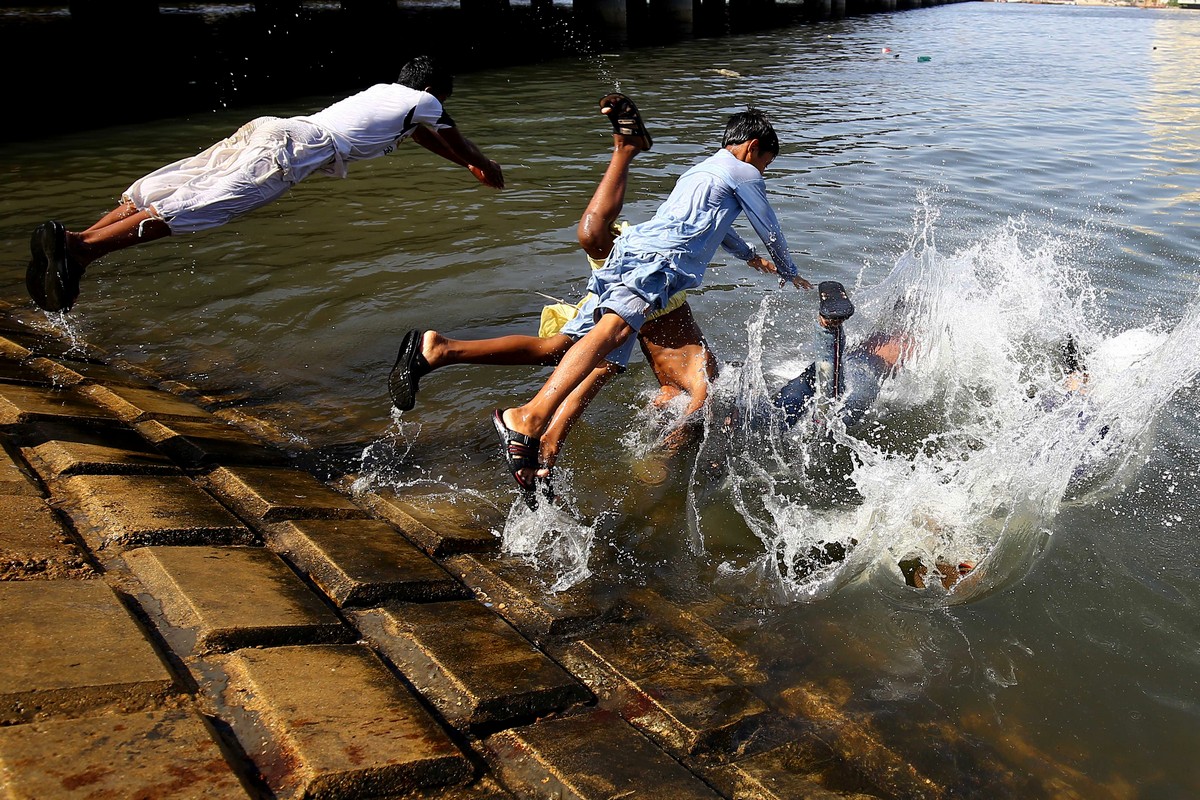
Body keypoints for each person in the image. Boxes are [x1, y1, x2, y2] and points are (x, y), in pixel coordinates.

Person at [388, 94, 718, 488]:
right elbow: (698, 409)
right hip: (655, 290)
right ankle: (626, 149)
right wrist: (664, 457)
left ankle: (446, 355)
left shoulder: (673, 381)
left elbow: (627, 389)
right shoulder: (706, 381)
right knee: (593, 239)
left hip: (644, 309)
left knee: (568, 354)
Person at [490, 107, 812, 506]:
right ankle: (528, 418)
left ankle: (544, 455)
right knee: (611, 334)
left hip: (636, 252)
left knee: (603, 357)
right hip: (658, 262)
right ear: (752, 148)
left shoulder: (702, 170)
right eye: (766, 163)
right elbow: (769, 225)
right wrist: (789, 269)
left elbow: (719, 225)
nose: (762, 172)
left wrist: (747, 257)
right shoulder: (743, 172)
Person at [25, 54, 504, 313]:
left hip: (275, 127)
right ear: (435, 91)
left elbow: (421, 136)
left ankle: (74, 238)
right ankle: (85, 252)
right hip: (298, 149)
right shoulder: (427, 102)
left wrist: (459, 166)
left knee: (185, 181)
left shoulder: (386, 96)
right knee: (207, 205)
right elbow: (460, 145)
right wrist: (484, 170)